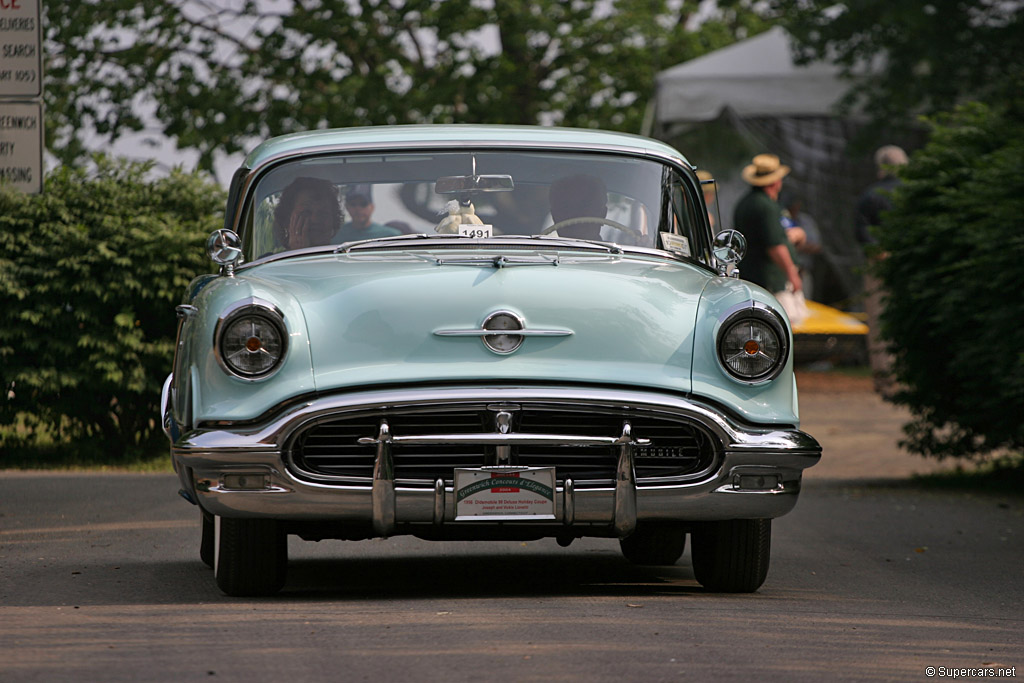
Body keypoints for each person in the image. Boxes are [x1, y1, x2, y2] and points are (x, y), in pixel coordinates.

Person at [855, 145, 908, 396]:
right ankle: (911, 374)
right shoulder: (911, 192)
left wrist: (877, 250)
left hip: (878, 262)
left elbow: (861, 231)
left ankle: (885, 378)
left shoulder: (870, 195)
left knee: (879, 319)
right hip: (909, 262)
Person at [732, 154, 806, 324]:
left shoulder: (746, 202)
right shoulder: (765, 206)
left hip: (755, 278)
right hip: (770, 281)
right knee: (783, 325)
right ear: (775, 181)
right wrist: (792, 274)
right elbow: (775, 246)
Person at [273, 177, 343, 252]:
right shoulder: (270, 262)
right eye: (306, 212)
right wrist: (297, 252)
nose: (315, 219)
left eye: (323, 213)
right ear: (287, 219)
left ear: (333, 221)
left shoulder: (346, 261)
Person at [548, 174, 608, 241]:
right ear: (554, 216)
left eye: (585, 206)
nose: (576, 216)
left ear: (603, 214)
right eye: (567, 208)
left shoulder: (619, 250)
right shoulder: (536, 249)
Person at [334, 184, 401, 243]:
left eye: (363, 204)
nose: (358, 209)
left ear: (372, 207)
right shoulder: (336, 236)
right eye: (353, 204)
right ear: (347, 207)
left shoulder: (391, 237)